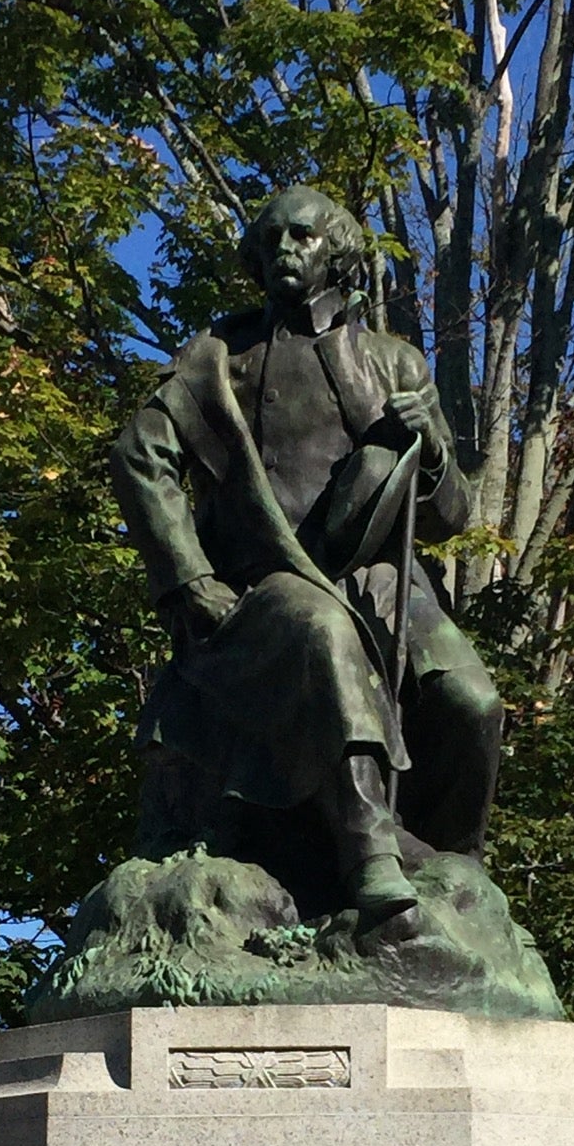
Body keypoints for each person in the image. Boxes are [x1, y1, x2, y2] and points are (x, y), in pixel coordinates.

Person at [110, 185, 503, 937]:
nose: (286, 251)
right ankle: (369, 854)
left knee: (473, 704)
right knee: (324, 632)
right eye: (273, 241)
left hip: (381, 580)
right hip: (269, 579)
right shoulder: (220, 362)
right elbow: (139, 457)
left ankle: (459, 872)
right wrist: (189, 579)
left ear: (339, 255)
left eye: (304, 238)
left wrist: (435, 455)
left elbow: (450, 516)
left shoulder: (396, 364)